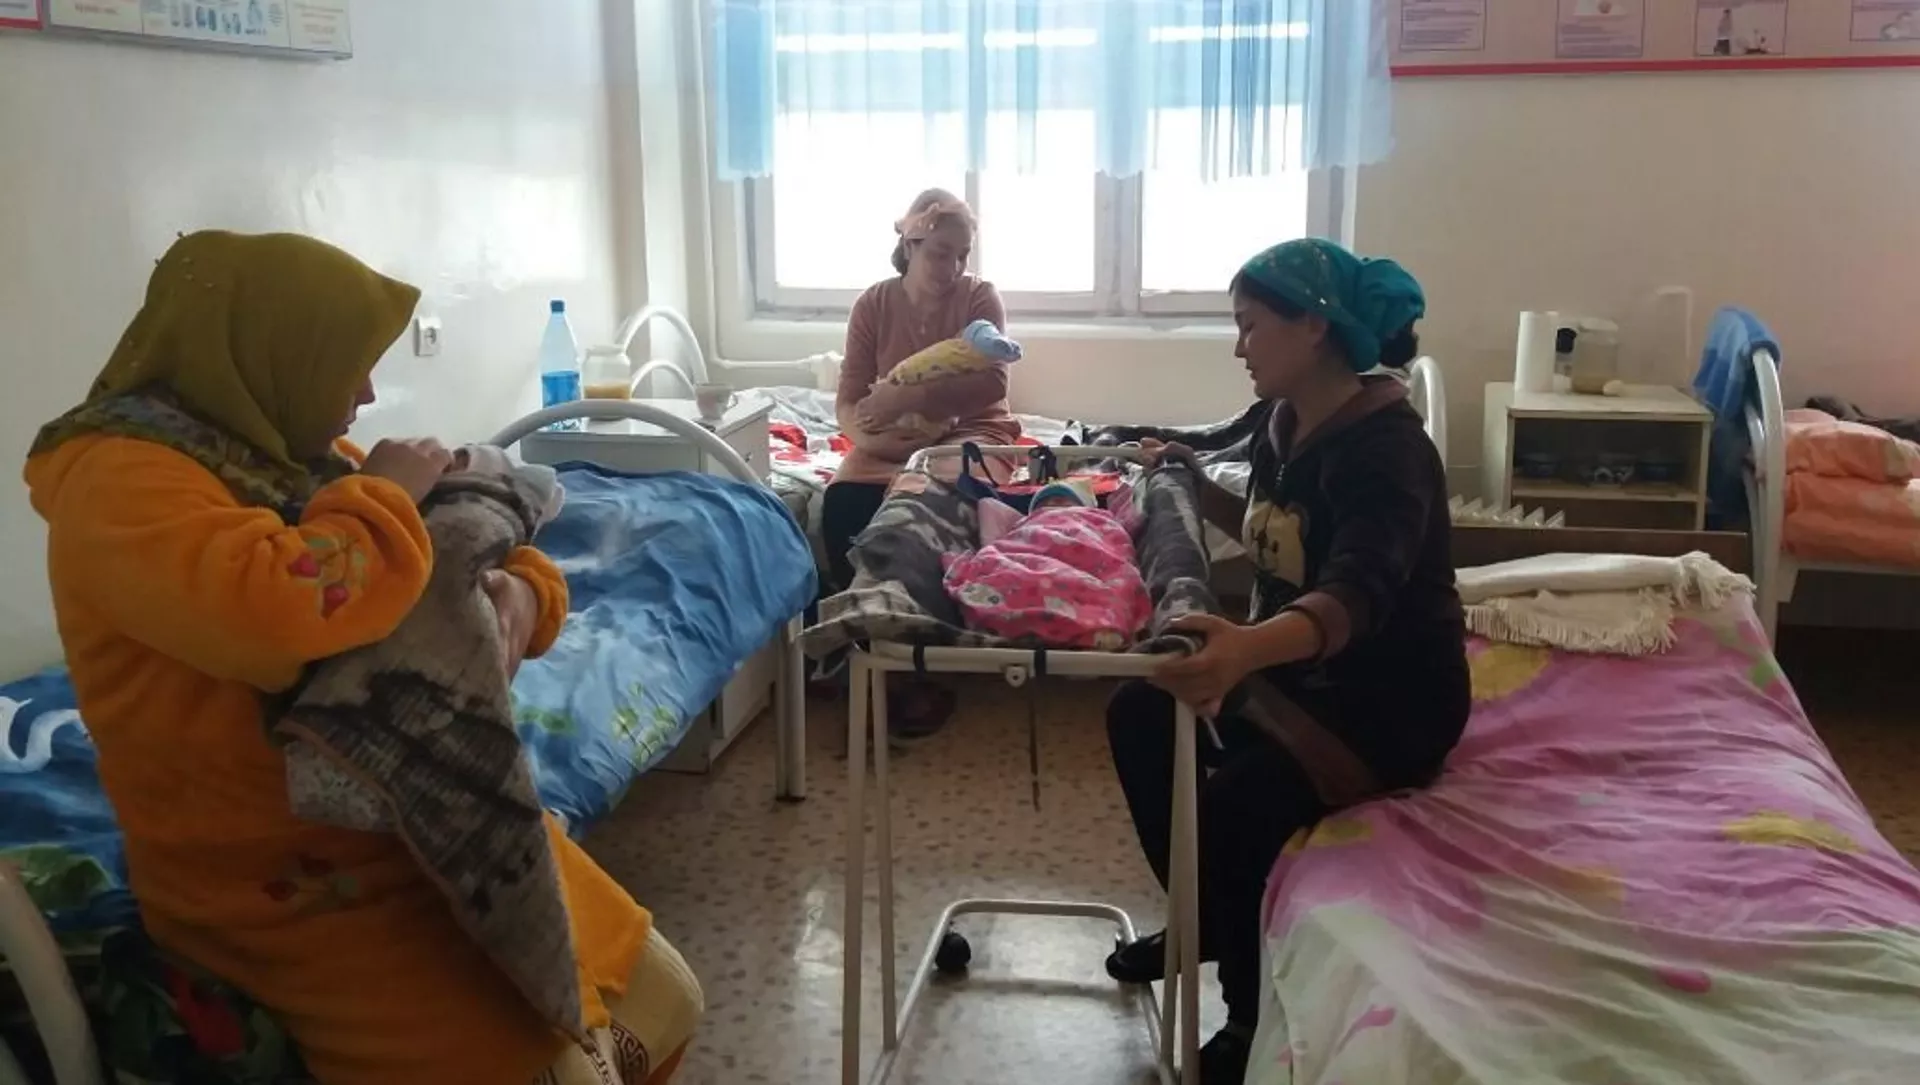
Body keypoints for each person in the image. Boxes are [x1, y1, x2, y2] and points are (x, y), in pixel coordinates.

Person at [25, 231, 701, 1085]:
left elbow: (485, 545)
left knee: (665, 1000)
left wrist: (521, 599)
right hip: (283, 881)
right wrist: (382, 493)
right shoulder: (116, 482)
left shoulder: (285, 458)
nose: (369, 392)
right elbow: (284, 612)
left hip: (430, 823)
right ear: (271, 350)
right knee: (551, 1062)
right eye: (350, 364)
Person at [1102, 238, 1469, 1082]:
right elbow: (1278, 537)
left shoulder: (1387, 452)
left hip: (1386, 702)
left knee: (1237, 802)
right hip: (1301, 672)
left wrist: (1242, 650)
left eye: (1250, 325)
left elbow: (1355, 594)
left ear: (1314, 326)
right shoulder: (1285, 422)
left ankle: (1247, 1015)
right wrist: (1194, 483)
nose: (1239, 347)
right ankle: (1205, 918)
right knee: (1139, 710)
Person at [821, 188, 1021, 734]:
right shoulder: (873, 304)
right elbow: (849, 399)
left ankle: (922, 663)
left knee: (926, 506)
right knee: (843, 504)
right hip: (890, 437)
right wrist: (869, 437)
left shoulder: (979, 298)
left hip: (974, 430)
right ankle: (869, 646)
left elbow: (992, 383)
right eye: (939, 253)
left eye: (962, 255)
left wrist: (908, 398)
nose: (952, 267)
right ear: (909, 246)